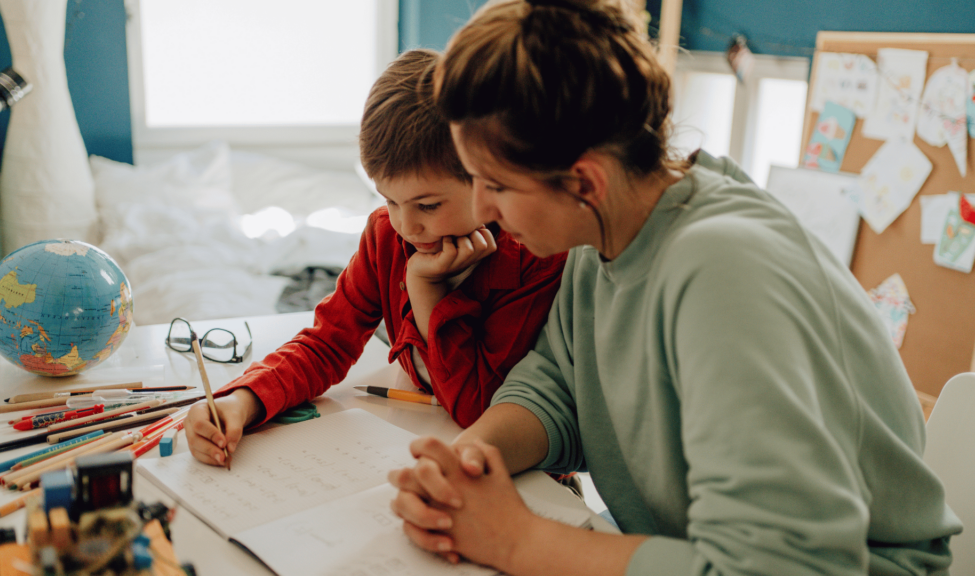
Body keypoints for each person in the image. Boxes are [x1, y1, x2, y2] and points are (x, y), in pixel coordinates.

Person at [388, 1, 963, 575]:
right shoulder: (603, 236)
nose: (482, 207)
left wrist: (515, 541)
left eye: (495, 184)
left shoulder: (724, 272)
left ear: (585, 181)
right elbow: (562, 384)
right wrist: (469, 459)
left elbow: (786, 565)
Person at [184, 49, 566, 467]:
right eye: (389, 199)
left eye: (428, 205)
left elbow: (478, 408)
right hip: (414, 436)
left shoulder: (533, 260)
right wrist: (244, 402)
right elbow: (328, 342)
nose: (406, 225)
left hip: (514, 471)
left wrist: (425, 291)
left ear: (487, 178)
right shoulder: (386, 235)